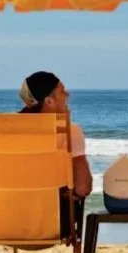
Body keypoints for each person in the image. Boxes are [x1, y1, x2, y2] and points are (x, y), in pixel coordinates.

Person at [18, 71, 92, 199]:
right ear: (49, 101)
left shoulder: (0, 130)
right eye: (62, 91)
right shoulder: (69, 130)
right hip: (47, 215)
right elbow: (82, 188)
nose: (67, 95)